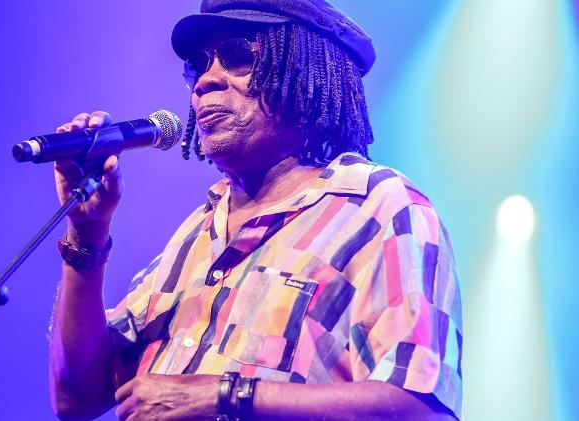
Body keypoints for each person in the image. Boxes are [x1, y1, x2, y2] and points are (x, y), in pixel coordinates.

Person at [48, 1, 463, 420]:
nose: (205, 80)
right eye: (198, 64)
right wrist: (87, 232)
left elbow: (423, 410)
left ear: (303, 71)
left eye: (237, 55)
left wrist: (225, 396)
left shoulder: (379, 207)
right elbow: (76, 398)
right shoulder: (196, 234)